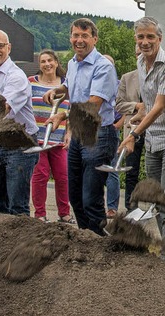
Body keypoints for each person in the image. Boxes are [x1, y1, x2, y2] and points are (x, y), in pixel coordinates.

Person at [117, 16, 165, 262]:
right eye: (141, 37)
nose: (145, 42)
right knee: (156, 200)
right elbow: (148, 107)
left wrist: (133, 134)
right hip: (152, 140)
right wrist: (135, 124)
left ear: (160, 39)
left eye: (150, 37)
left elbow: (159, 106)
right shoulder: (140, 62)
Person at [43, 18, 118, 236]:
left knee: (90, 198)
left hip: (99, 134)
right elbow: (70, 86)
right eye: (75, 35)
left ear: (94, 39)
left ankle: (98, 243)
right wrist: (57, 91)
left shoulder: (103, 66)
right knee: (75, 196)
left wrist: (63, 115)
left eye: (85, 36)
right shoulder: (74, 63)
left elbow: (94, 103)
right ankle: (84, 240)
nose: (79, 40)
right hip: (78, 134)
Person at [0, 29, 39, 216]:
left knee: (17, 206)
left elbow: (3, 109)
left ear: (8, 48)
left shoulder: (16, 76)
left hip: (21, 142)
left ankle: (20, 244)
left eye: (0, 45)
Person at [28, 49, 73, 223]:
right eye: (43, 61)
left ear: (56, 62)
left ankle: (64, 213)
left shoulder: (65, 86)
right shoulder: (31, 83)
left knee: (63, 176)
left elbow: (71, 111)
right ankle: (40, 214)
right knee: (40, 176)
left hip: (58, 138)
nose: (47, 64)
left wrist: (69, 133)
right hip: (37, 138)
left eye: (50, 61)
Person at [114, 46, 145, 210]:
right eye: (138, 54)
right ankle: (131, 206)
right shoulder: (127, 78)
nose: (140, 57)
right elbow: (119, 104)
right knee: (131, 169)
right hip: (132, 128)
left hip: (154, 129)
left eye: (143, 53)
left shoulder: (159, 77)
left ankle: (157, 205)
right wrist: (137, 106)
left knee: (154, 170)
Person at [103, 54, 121, 218]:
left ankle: (112, 207)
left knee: (112, 170)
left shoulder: (119, 86)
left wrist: (116, 127)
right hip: (94, 130)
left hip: (112, 129)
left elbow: (127, 110)